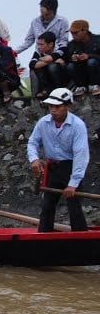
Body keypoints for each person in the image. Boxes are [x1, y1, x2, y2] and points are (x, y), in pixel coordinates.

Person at [27, 88, 90, 231]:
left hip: (71, 167)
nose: (53, 110)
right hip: (53, 168)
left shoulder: (77, 125)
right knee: (47, 206)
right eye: (51, 107)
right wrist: (34, 159)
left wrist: (73, 183)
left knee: (74, 207)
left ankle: (81, 240)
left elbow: (81, 155)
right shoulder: (43, 123)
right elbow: (33, 142)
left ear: (67, 106)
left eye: (57, 107)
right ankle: (43, 237)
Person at [29, 31, 67, 99]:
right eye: (38, 44)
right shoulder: (38, 52)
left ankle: (59, 90)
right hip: (48, 77)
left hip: (63, 77)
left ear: (51, 44)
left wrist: (46, 60)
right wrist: (51, 61)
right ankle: (44, 91)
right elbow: (32, 64)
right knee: (35, 69)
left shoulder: (61, 48)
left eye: (41, 44)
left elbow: (59, 59)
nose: (38, 47)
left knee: (52, 67)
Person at [67, 20, 100, 97]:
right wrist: (73, 58)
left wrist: (89, 56)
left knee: (92, 62)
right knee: (70, 66)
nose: (73, 35)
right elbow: (67, 58)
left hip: (96, 70)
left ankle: (96, 85)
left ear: (85, 31)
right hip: (82, 71)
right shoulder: (71, 44)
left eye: (76, 33)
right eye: (72, 33)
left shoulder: (98, 40)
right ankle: (81, 87)